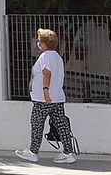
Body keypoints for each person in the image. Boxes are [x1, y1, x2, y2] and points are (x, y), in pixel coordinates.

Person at [17, 27, 77, 164]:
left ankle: (33, 152)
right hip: (57, 97)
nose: (38, 43)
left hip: (43, 99)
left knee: (37, 123)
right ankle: (68, 152)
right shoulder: (57, 57)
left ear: (44, 43)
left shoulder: (45, 56)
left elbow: (46, 73)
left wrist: (45, 90)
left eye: (40, 41)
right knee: (61, 124)